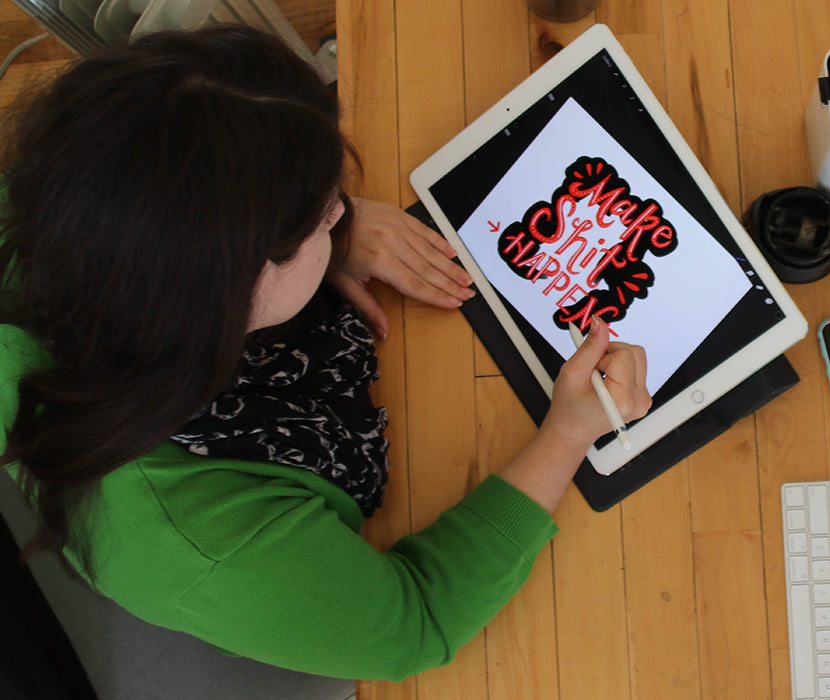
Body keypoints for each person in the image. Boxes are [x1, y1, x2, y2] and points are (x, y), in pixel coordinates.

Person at [0, 25, 650, 681]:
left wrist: (296, 236)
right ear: (222, 294)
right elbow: (416, 623)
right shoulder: (206, 541)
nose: (342, 215)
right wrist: (566, 434)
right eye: (318, 218)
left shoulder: (50, 200)